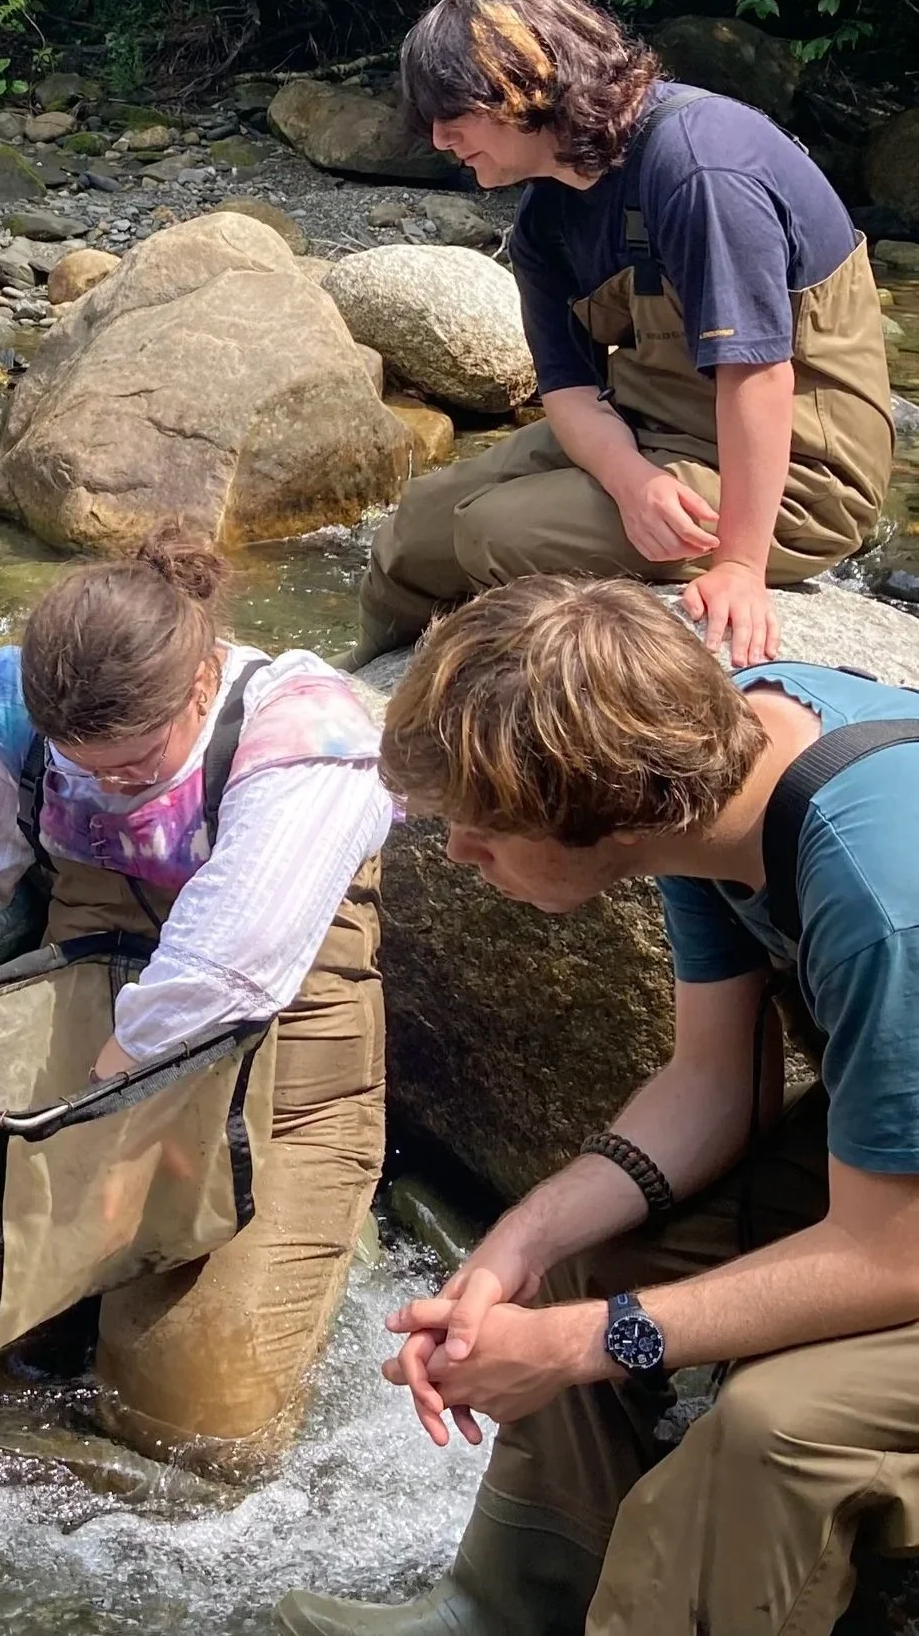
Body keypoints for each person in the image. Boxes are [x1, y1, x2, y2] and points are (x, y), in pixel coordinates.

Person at [276, 577, 919, 1636]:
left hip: (896, 1227)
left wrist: (591, 1344)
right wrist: (520, 1245)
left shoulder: (881, 892)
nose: (457, 857)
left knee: (772, 1430)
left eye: (480, 829)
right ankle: (503, 1611)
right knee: (580, 1274)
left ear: (596, 812)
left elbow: (893, 1254)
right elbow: (714, 1084)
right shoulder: (711, 782)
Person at [0, 529, 394, 1475]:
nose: (102, 787)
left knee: (190, 1427)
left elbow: (218, 971)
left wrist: (92, 1136)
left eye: (133, 771)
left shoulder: (307, 739)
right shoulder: (18, 701)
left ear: (197, 687)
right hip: (91, 1042)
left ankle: (328, 1227)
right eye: (79, 769)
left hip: (274, 1072)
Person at [346, 0, 893, 672]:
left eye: (452, 115)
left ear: (525, 82)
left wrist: (738, 568)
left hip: (798, 476)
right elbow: (569, 390)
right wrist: (632, 481)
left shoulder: (699, 169)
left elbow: (758, 378)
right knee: (414, 525)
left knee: (496, 530)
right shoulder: (547, 213)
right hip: (651, 431)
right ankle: (365, 690)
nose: (440, 140)